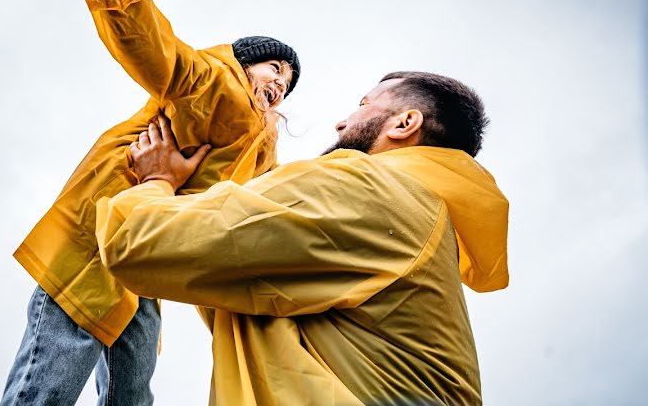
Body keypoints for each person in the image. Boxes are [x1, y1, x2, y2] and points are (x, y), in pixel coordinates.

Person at [0, 0, 301, 406]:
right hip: (97, 241)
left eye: (286, 85)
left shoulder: (261, 149)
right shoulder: (210, 81)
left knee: (133, 385)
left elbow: (265, 199)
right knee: (59, 362)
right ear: (243, 64)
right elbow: (158, 51)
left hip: (145, 254)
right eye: (273, 68)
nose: (278, 83)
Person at [96, 72, 510, 405]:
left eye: (364, 105)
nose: (342, 121)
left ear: (405, 123)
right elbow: (242, 284)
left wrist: (156, 180)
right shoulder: (423, 215)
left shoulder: (366, 186)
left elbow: (140, 243)